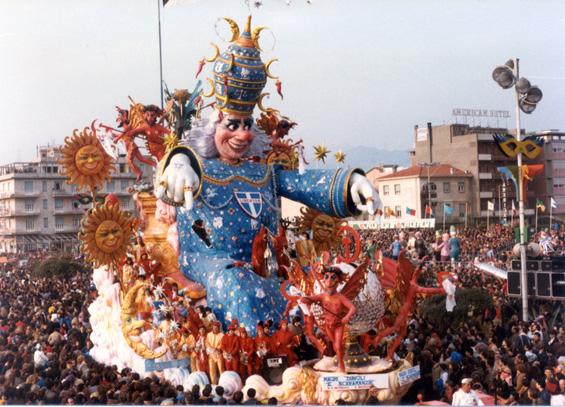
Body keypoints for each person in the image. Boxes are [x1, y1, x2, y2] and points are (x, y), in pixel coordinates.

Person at [154, 16, 382, 334]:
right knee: (236, 283)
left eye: (247, 126)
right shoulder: (196, 166)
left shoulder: (265, 174)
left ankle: (304, 343)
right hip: (209, 262)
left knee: (311, 289)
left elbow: (307, 184)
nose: (242, 135)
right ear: (213, 127)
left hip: (268, 263)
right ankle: (262, 344)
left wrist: (351, 184)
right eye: (232, 125)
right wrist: (178, 165)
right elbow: (175, 168)